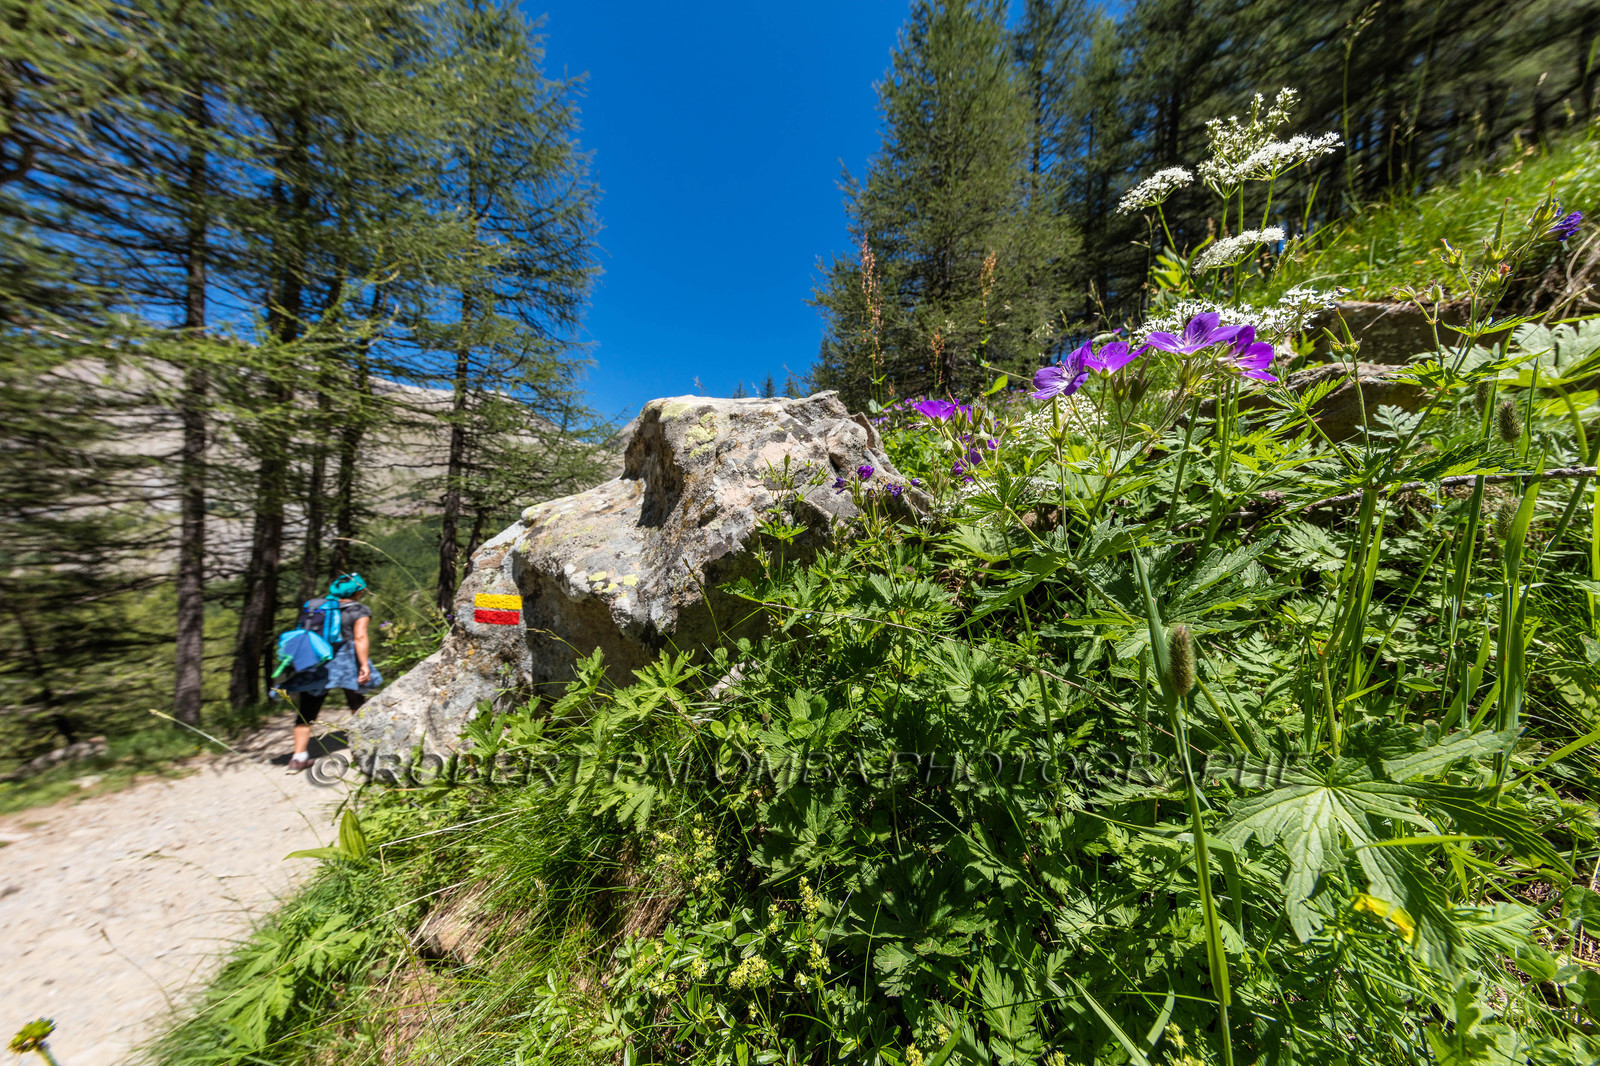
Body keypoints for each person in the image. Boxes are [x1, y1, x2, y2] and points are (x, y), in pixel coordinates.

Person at [283, 573, 383, 773]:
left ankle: (298, 758)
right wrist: (364, 664)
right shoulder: (359, 609)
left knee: (308, 709)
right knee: (356, 703)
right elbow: (360, 637)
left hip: (318, 661)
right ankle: (366, 748)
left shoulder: (317, 606)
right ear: (357, 591)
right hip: (346, 662)